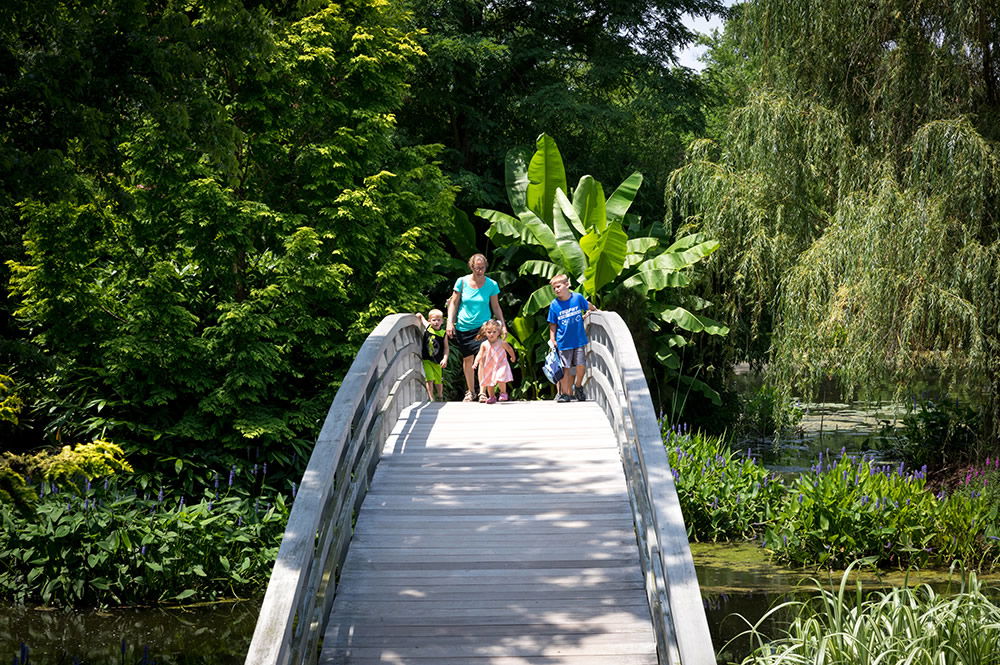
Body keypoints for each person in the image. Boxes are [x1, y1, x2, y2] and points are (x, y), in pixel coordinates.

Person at [447, 253, 507, 402]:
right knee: (468, 359)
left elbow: (496, 306)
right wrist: (449, 322)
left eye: (482, 268)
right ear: (471, 267)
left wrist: (503, 325)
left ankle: (482, 391)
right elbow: (454, 303)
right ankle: (470, 391)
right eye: (477, 268)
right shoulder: (461, 282)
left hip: (483, 328)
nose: (480, 271)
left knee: (483, 358)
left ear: (486, 267)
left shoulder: (491, 284)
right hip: (463, 326)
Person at [547, 274, 597, 403]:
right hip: (563, 341)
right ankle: (565, 394)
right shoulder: (554, 305)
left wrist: (595, 310)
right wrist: (552, 338)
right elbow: (553, 323)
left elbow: (587, 305)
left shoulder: (577, 298)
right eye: (554, 288)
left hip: (579, 339)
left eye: (559, 286)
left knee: (581, 365)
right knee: (565, 368)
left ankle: (578, 386)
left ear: (567, 285)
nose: (557, 290)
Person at [472, 319, 516, 404]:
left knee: (501, 377)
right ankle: (491, 396)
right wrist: (475, 362)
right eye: (489, 332)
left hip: (501, 364)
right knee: (489, 382)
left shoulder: (501, 342)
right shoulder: (484, 344)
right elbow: (480, 354)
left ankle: (503, 393)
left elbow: (510, 349)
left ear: (499, 332)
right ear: (485, 332)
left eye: (494, 332)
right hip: (489, 366)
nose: (491, 334)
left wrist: (513, 357)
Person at [418, 308, 449, 401]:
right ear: (429, 321)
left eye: (438, 320)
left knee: (438, 380)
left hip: (438, 361)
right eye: (434, 320)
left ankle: (440, 396)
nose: (436, 322)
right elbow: (420, 316)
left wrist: (445, 359)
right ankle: (431, 398)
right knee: (429, 378)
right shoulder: (428, 328)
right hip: (427, 359)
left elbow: (446, 348)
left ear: (442, 321)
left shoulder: (443, 333)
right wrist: (418, 315)